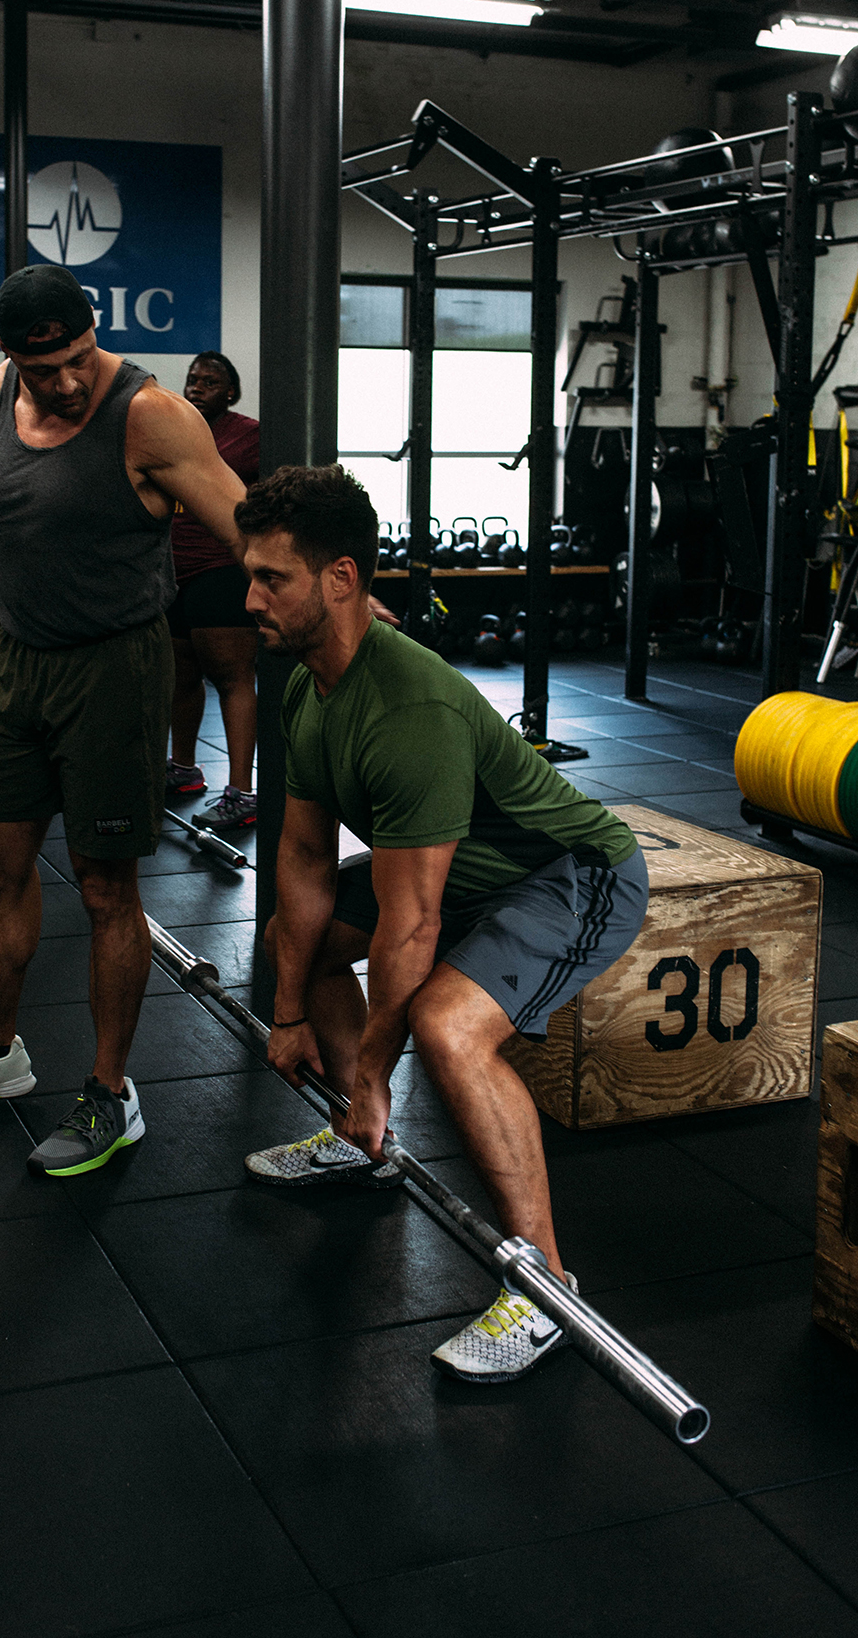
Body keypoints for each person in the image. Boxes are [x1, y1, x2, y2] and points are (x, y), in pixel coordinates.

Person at [236, 464, 649, 1384]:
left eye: (272, 578)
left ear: (340, 579)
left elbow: (412, 925)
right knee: (297, 945)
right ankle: (362, 1146)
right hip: (458, 873)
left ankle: (546, 1287)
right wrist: (289, 1011)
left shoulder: (408, 706)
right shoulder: (306, 686)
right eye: (249, 575)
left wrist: (374, 1075)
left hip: (568, 874)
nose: (250, 598)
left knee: (447, 1027)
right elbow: (301, 859)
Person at [0, 264, 248, 1177]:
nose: (69, 382)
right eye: (45, 370)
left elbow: (246, 527)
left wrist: (339, 603)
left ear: (93, 335)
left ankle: (110, 1093)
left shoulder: (151, 416)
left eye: (80, 358)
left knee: (103, 887)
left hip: (116, 669)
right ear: (10, 356)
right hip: (18, 663)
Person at [166, 350, 261, 832]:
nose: (197, 387)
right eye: (193, 379)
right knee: (180, 677)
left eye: (210, 381)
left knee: (232, 678)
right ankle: (183, 769)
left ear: (231, 392)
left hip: (223, 569)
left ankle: (242, 793)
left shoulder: (250, 435)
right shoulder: (176, 429)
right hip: (174, 572)